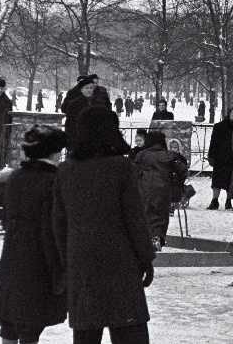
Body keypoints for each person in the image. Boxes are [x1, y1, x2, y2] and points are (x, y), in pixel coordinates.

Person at [53, 106, 154, 344]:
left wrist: (66, 262)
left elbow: (58, 224)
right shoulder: (121, 167)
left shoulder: (65, 170)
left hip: (82, 264)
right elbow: (135, 218)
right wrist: (146, 258)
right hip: (121, 263)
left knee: (87, 333)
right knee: (129, 331)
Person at [0, 125, 68, 344]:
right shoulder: (54, 180)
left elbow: (6, 217)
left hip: (13, 254)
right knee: (32, 322)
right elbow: (53, 226)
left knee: (9, 321)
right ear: (54, 152)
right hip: (40, 258)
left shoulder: (16, 176)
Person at [134, 131, 188, 251]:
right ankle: (157, 236)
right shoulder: (170, 155)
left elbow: (133, 171)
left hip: (144, 189)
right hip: (163, 189)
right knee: (160, 214)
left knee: (145, 213)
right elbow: (182, 171)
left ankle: (145, 238)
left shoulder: (141, 155)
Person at [206, 106, 233, 211]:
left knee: (231, 180)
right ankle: (214, 201)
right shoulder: (219, 126)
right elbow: (214, 143)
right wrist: (211, 156)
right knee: (217, 180)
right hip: (220, 158)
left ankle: (228, 201)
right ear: (229, 113)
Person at [63, 76, 99, 153]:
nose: (89, 90)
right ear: (81, 89)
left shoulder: (97, 103)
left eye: (91, 88)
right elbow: (70, 124)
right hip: (77, 141)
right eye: (86, 88)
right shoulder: (74, 104)